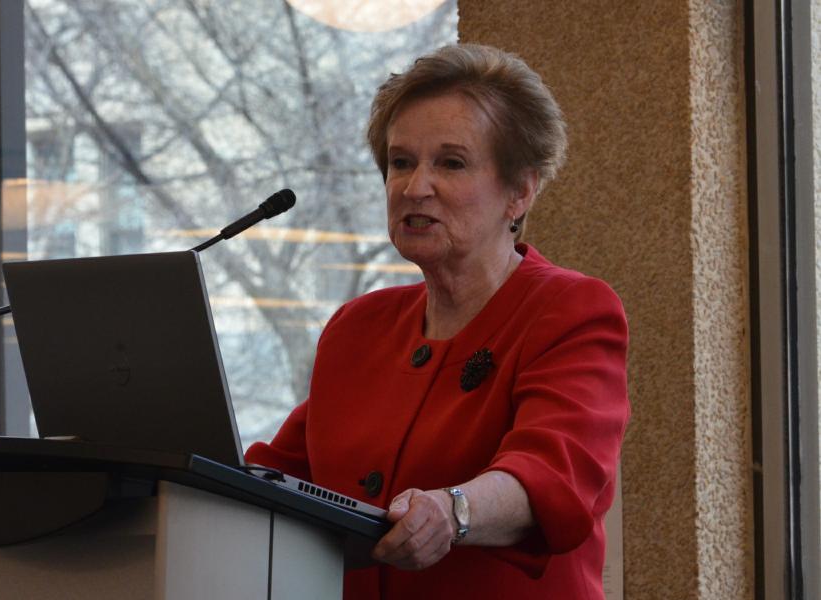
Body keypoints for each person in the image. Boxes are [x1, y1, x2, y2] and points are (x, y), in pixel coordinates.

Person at [246, 43, 629, 599]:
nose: (414, 186)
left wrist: (454, 512)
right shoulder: (358, 328)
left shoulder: (570, 311)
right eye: (401, 162)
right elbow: (278, 477)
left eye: (450, 163)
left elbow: (553, 474)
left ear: (519, 191)